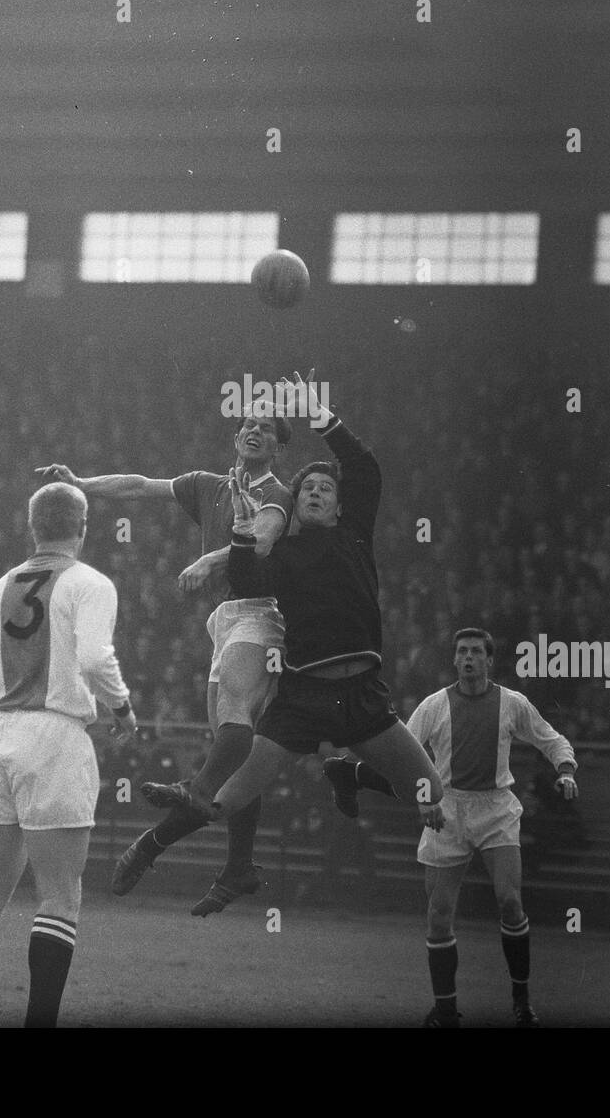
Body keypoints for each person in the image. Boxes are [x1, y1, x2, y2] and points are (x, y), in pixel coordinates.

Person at [145, 372, 446, 871]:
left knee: (430, 791)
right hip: (304, 697)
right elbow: (248, 576)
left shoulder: (355, 535)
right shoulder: (287, 553)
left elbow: (364, 465)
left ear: (339, 502)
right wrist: (242, 533)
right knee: (223, 802)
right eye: (308, 486)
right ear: (297, 502)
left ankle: (347, 773)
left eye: (326, 487)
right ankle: (154, 846)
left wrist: (319, 416)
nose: (316, 491)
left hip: (363, 695)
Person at [39, 401, 292, 916]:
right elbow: (140, 485)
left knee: (232, 731)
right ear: (235, 438)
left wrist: (208, 557)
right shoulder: (211, 485)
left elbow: (262, 544)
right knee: (236, 751)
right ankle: (237, 863)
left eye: (267, 429)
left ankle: (171, 822)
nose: (254, 431)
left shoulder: (276, 495)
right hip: (224, 619)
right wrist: (83, 483)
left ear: (278, 447)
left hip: (264, 613)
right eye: (248, 424)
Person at [0, 482, 137, 1028]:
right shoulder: (91, 583)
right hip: (55, 738)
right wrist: (122, 707)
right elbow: (94, 657)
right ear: (83, 527)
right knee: (59, 897)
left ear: (32, 528)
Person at [324, 628, 578, 1028]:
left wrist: (565, 770)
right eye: (462, 651)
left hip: (496, 810)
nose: (469, 657)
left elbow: (553, 740)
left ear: (489, 660)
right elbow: (404, 757)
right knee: (439, 916)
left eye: (477, 651)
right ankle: (445, 1010)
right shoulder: (434, 705)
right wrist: (427, 798)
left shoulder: (512, 704)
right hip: (449, 809)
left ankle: (522, 1003)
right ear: (455, 660)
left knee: (510, 903)